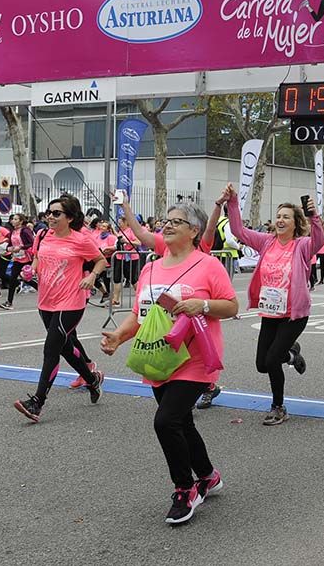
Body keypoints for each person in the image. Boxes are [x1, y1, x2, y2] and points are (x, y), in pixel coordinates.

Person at [100, 203, 238, 524]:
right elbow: (140, 315)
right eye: (167, 220)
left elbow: (231, 306)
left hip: (196, 359)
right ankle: (207, 475)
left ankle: (184, 488)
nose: (168, 225)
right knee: (182, 423)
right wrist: (119, 336)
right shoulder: (150, 268)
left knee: (165, 422)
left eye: (178, 221)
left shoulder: (208, 266)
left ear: (194, 231)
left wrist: (200, 305)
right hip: (158, 357)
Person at [223, 184, 324, 425]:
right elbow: (237, 229)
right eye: (278, 216)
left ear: (295, 222)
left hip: (294, 315)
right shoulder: (266, 242)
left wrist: (314, 217)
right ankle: (291, 354)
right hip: (271, 312)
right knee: (261, 365)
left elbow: (319, 241)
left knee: (271, 360)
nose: (280, 220)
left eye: (285, 217)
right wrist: (233, 202)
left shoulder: (301, 245)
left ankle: (278, 407)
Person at [13, 195, 108, 423]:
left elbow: (101, 260)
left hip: (71, 302)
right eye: (49, 212)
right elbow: (37, 259)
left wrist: (92, 277)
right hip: (46, 301)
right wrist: (30, 270)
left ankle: (37, 402)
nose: (50, 217)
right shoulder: (43, 235)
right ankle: (92, 379)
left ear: (70, 217)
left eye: (56, 213)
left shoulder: (80, 240)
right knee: (65, 347)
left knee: (51, 348)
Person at [0, 213, 35, 311]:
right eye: (12, 219)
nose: (12, 221)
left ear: (21, 221)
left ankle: (44, 291)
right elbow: (10, 244)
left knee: (26, 278)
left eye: (15, 219)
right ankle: (9, 302)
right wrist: (8, 248)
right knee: (13, 279)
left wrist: (21, 247)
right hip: (17, 258)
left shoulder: (25, 230)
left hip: (27, 258)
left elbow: (32, 243)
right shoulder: (13, 231)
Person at [112, 214, 143, 307]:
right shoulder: (120, 231)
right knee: (116, 278)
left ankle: (141, 297)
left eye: (120, 222)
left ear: (126, 222)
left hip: (131, 258)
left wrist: (127, 242)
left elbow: (138, 243)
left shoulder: (131, 231)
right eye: (118, 222)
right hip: (120, 257)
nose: (119, 224)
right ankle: (116, 299)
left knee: (133, 279)